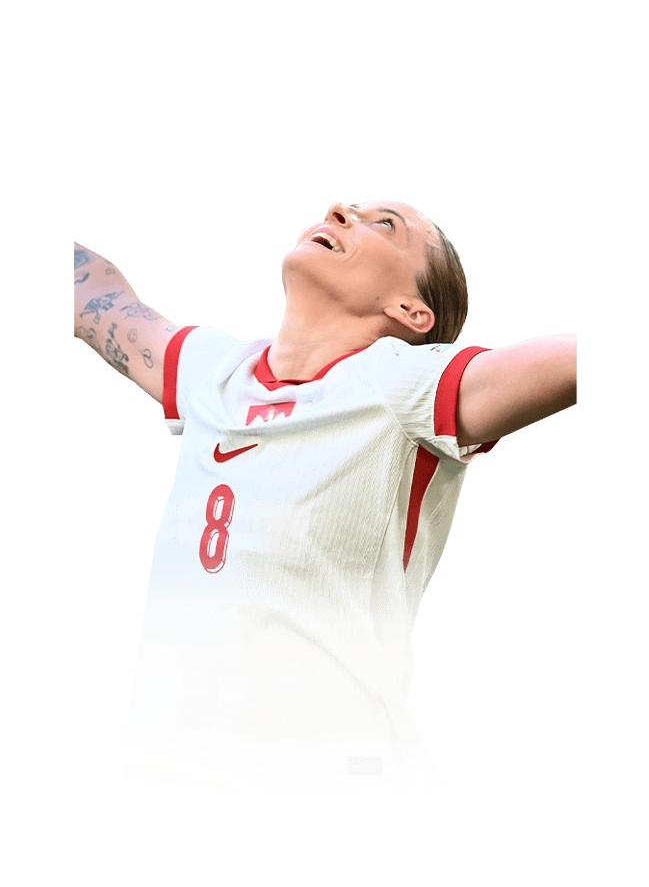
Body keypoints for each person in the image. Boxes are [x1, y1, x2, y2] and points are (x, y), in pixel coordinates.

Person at [73, 201, 578, 792]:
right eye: (349, 209)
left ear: (411, 311)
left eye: (385, 225)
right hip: (165, 767)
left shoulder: (406, 382)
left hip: (338, 777)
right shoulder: (212, 373)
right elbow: (94, 295)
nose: (338, 211)